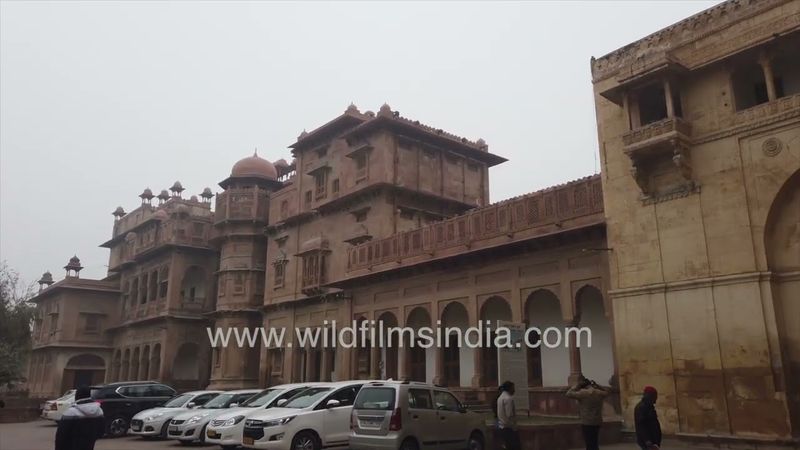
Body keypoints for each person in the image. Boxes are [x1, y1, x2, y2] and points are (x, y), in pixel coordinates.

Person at [55, 386, 105, 450]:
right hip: (88, 445)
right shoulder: (99, 411)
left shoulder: (71, 412)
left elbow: (61, 435)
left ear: (77, 395)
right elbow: (101, 432)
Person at [566, 376, 609, 450]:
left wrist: (577, 386)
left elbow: (568, 394)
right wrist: (597, 385)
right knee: (595, 442)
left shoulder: (583, 393)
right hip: (597, 421)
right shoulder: (599, 393)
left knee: (589, 443)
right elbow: (607, 391)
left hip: (587, 421)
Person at [634, 386, 662, 450]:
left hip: (653, 441)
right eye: (654, 397)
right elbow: (641, 425)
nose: (655, 400)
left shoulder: (649, 406)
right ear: (650, 396)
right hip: (648, 442)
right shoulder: (641, 407)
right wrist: (647, 440)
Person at [496, 381, 521, 450]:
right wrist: (514, 427)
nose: (514, 390)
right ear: (509, 388)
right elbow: (509, 415)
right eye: (513, 388)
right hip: (509, 428)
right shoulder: (508, 398)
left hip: (502, 426)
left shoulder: (500, 398)